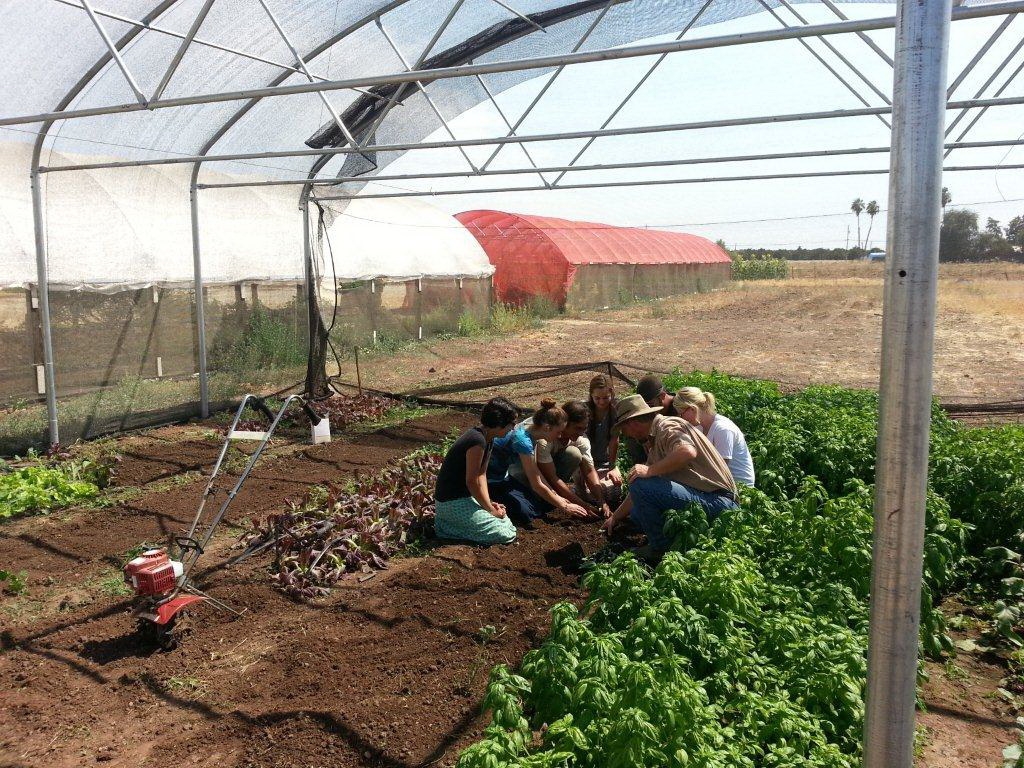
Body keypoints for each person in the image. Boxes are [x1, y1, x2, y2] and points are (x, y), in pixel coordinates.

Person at [601, 394, 738, 562]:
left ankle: (660, 549)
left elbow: (687, 452)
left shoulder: (667, 425)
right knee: (637, 513)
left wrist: (649, 470)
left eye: (625, 431)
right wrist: (615, 517)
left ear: (633, 423)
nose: (628, 436)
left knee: (641, 486)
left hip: (719, 502)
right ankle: (677, 539)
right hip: (710, 500)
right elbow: (639, 490)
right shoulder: (656, 439)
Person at [489, 399, 591, 524]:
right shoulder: (523, 441)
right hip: (491, 479)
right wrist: (564, 506)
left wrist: (557, 497)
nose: (559, 436)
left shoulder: (532, 433)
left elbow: (537, 474)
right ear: (547, 428)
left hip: (501, 477)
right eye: (558, 432)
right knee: (526, 514)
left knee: (536, 507)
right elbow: (536, 483)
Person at [434, 397, 520, 545]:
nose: (513, 428)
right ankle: (446, 528)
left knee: (503, 518)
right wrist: (490, 510)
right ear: (500, 423)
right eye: (512, 423)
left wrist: (490, 504)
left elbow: (482, 474)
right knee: (504, 534)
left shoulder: (488, 438)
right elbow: (472, 481)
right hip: (452, 502)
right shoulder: (476, 441)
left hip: (466, 498)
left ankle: (454, 526)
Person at [535, 401, 609, 518]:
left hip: (553, 472)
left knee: (573, 454)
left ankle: (556, 496)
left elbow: (589, 470)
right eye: (577, 428)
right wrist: (582, 504)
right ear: (565, 423)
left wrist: (602, 501)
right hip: (534, 475)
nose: (580, 433)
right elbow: (552, 477)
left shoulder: (581, 440)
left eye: (584, 429)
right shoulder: (545, 438)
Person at [672, 387, 756, 487]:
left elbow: (719, 470)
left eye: (681, 414)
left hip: (737, 487)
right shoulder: (698, 426)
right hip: (718, 482)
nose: (682, 419)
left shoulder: (723, 429)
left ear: (692, 409)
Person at [586, 375, 625, 503]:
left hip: (604, 462)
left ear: (611, 395)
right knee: (591, 494)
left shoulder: (615, 411)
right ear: (591, 395)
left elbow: (614, 440)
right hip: (586, 463)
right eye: (597, 398)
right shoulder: (584, 411)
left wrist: (612, 467)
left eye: (605, 398)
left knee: (614, 491)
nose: (601, 402)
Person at [623, 373, 676, 466]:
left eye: (651, 406)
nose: (648, 411)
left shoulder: (680, 409)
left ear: (663, 396)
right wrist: (643, 439)